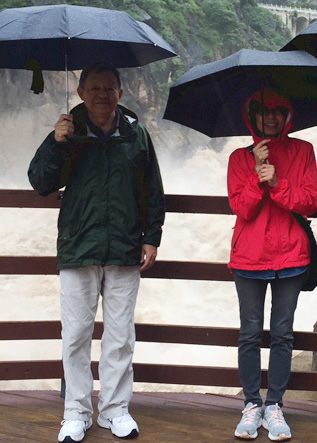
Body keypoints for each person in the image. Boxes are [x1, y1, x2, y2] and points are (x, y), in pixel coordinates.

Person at [28, 63, 164, 443]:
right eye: (94, 88)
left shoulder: (135, 135)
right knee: (75, 335)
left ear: (121, 93)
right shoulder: (68, 133)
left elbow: (153, 189)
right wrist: (56, 143)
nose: (102, 94)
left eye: (109, 88)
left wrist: (151, 237)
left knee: (120, 336)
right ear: (81, 92)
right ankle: (76, 412)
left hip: (124, 248)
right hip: (78, 246)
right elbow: (40, 182)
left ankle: (116, 410)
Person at [227, 89, 317, 442]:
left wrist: (277, 182)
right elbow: (242, 208)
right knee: (249, 334)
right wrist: (255, 174)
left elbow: (310, 201)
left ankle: (275, 405)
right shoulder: (239, 158)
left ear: (287, 116)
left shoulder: (303, 151)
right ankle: (252, 403)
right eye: (263, 111)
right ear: (252, 115)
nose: (270, 117)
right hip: (249, 258)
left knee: (283, 334)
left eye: (278, 111)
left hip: (291, 257)